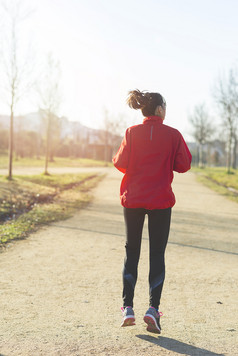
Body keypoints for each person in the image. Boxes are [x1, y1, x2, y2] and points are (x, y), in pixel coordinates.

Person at [113, 89, 192, 334]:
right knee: (157, 254)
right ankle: (153, 310)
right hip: (160, 202)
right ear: (159, 109)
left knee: (132, 252)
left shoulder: (131, 133)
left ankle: (128, 308)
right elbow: (184, 165)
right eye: (165, 106)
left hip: (133, 200)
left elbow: (119, 163)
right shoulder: (173, 135)